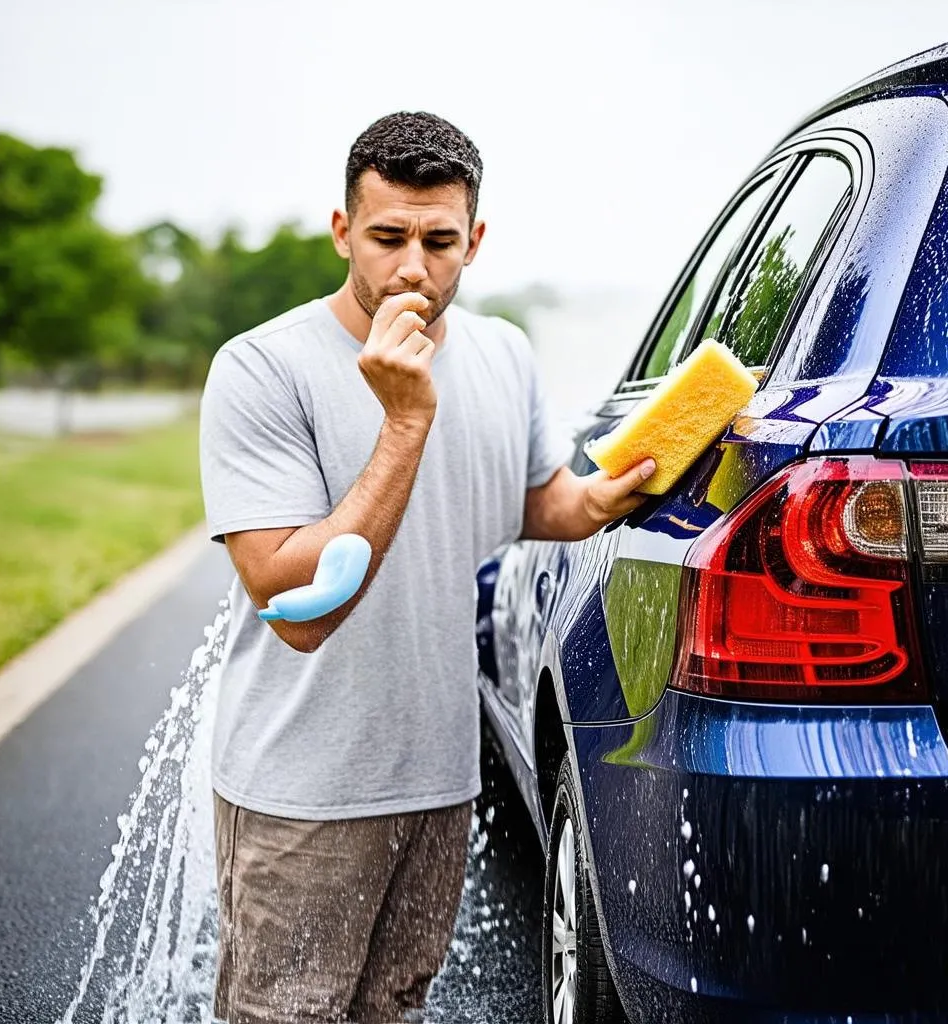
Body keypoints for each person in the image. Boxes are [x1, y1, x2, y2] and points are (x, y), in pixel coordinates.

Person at [198, 110, 656, 1024]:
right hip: (306, 790)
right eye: (387, 237)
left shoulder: (502, 353)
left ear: (474, 240)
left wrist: (602, 500)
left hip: (440, 780)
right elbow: (296, 605)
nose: (413, 266)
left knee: (395, 1006)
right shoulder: (262, 369)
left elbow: (535, 499)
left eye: (439, 240)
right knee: (289, 1012)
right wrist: (404, 422)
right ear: (342, 232)